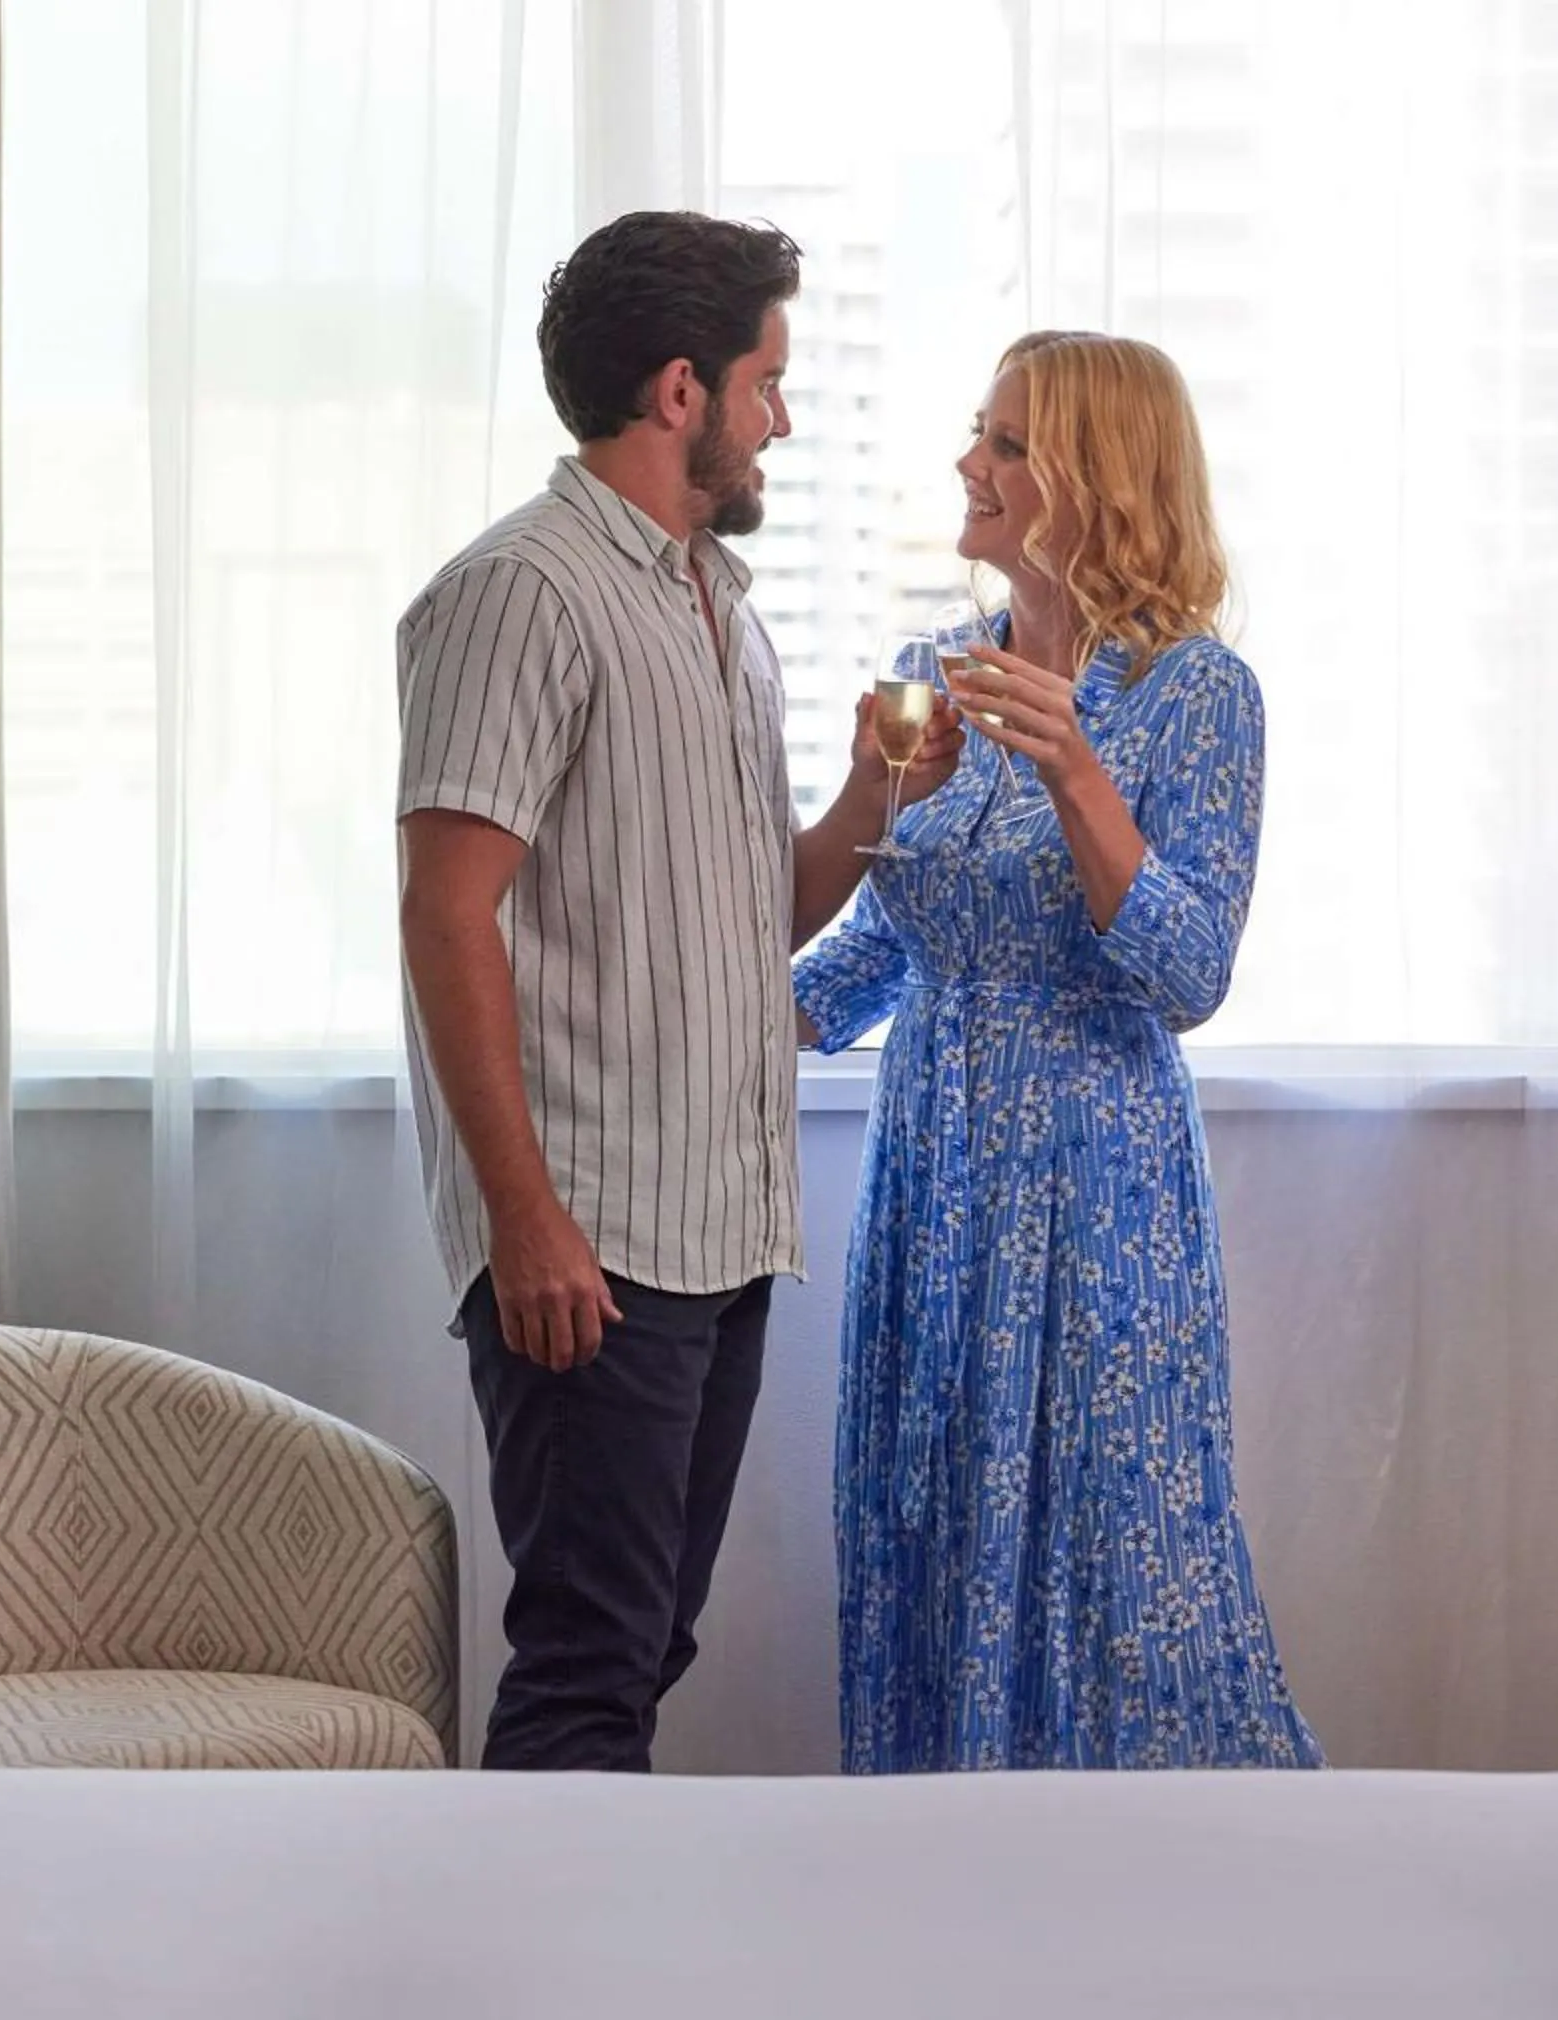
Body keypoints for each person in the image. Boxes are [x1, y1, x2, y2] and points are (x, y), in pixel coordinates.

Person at [395, 211, 963, 1772]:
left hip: (716, 1229)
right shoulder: (522, 593)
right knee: (588, 1663)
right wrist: (524, 1221)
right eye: (768, 381)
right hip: (589, 1238)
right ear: (678, 392)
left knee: (648, 1645)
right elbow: (447, 920)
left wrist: (865, 800)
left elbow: (741, 918)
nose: (783, 416)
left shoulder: (720, 610)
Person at [795, 330, 1321, 1772]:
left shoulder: (1199, 696)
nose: (971, 463)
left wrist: (1077, 768)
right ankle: (947, 1924)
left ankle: (1177, 1929)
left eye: (1009, 444)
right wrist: (723, 1023)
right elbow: (891, 945)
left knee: (1119, 1566)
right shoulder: (934, 676)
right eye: (981, 434)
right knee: (929, 1532)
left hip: (1099, 1198)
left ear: (1097, 478)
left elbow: (1186, 969)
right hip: (931, 1185)